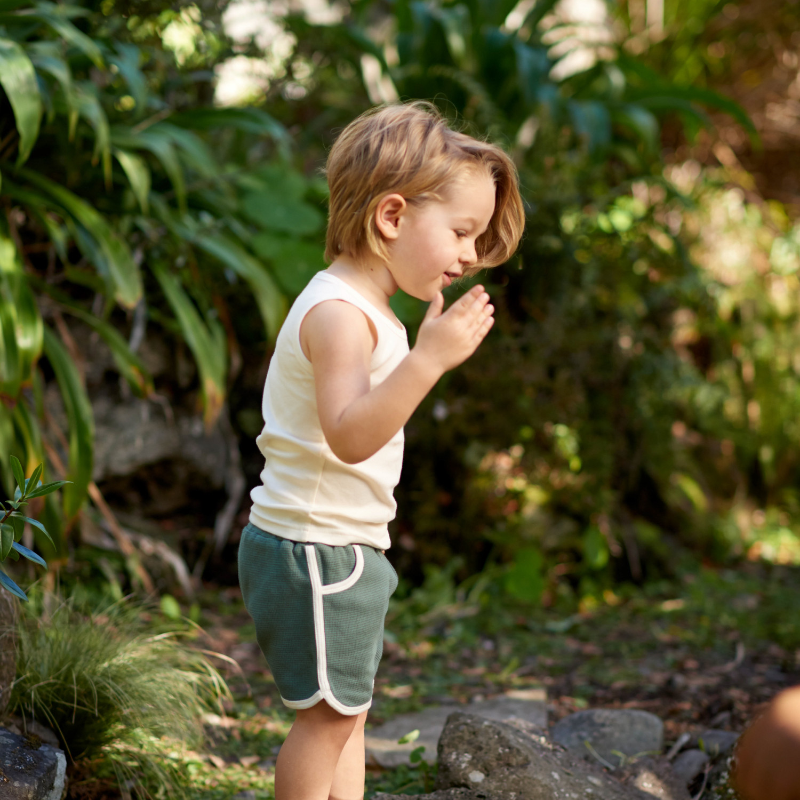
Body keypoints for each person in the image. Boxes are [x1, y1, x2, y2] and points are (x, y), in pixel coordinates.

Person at [237, 101, 525, 800]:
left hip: (339, 547)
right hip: (313, 548)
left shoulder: (367, 310)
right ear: (392, 218)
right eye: (461, 232)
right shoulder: (339, 314)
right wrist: (427, 363)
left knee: (348, 715)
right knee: (326, 723)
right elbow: (349, 432)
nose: (470, 255)